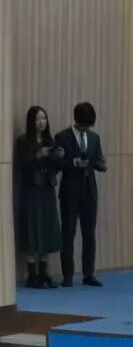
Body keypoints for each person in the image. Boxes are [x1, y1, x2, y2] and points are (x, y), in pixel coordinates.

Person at [55, 101, 106, 287]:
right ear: (76, 120)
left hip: (89, 191)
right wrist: (73, 163)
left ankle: (88, 274)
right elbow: (57, 164)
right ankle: (67, 276)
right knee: (68, 233)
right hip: (70, 191)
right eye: (84, 125)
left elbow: (98, 160)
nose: (86, 129)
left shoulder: (94, 137)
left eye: (89, 125)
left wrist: (100, 165)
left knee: (89, 234)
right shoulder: (62, 137)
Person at [17, 106, 63, 288]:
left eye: (44, 118)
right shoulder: (23, 141)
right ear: (31, 121)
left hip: (47, 189)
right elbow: (22, 165)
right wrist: (38, 154)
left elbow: (56, 168)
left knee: (47, 229)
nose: (42, 122)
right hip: (31, 190)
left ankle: (44, 272)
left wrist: (58, 157)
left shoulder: (50, 141)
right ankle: (32, 274)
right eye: (38, 119)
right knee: (31, 228)